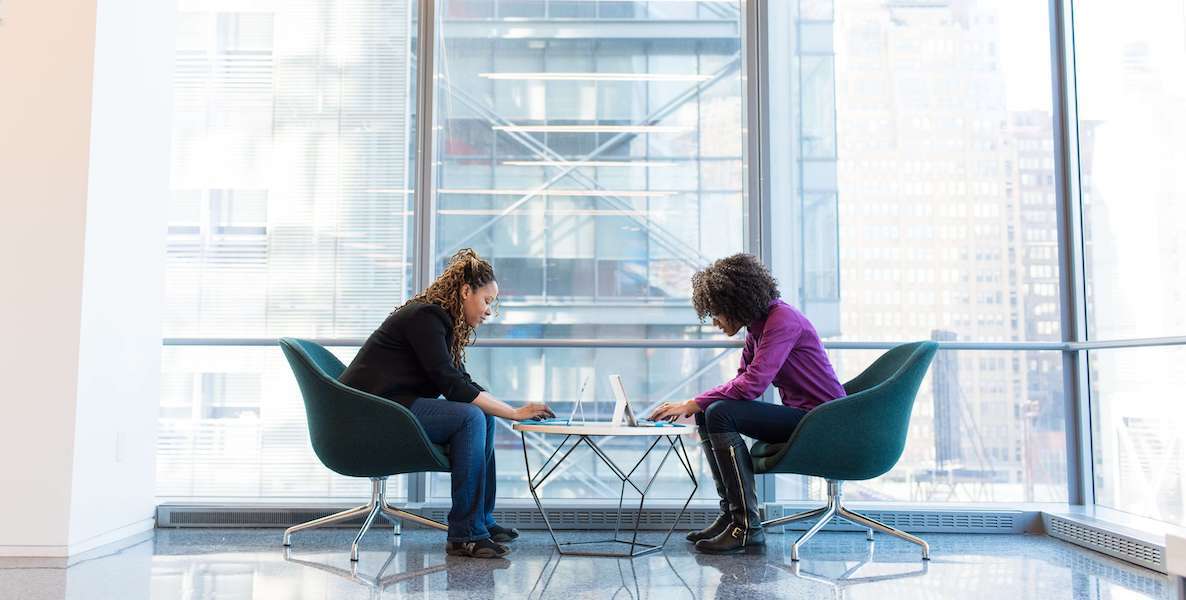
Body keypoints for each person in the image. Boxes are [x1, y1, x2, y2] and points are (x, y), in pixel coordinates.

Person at [339, 248, 553, 559]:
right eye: (487, 301)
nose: (489, 311)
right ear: (466, 291)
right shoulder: (426, 317)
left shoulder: (439, 320)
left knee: (480, 414)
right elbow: (451, 386)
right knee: (470, 417)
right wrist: (513, 413)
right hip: (370, 412)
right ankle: (465, 534)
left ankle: (481, 522)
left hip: (392, 406)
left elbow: (460, 381)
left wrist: (509, 410)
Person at [650, 253, 847, 554]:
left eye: (716, 313)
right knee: (710, 412)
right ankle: (732, 517)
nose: (714, 322)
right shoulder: (759, 327)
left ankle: (746, 527)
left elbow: (753, 385)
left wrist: (691, 402)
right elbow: (742, 379)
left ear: (734, 304)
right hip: (804, 417)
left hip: (823, 421)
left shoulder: (782, 321)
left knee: (718, 411)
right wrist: (696, 406)